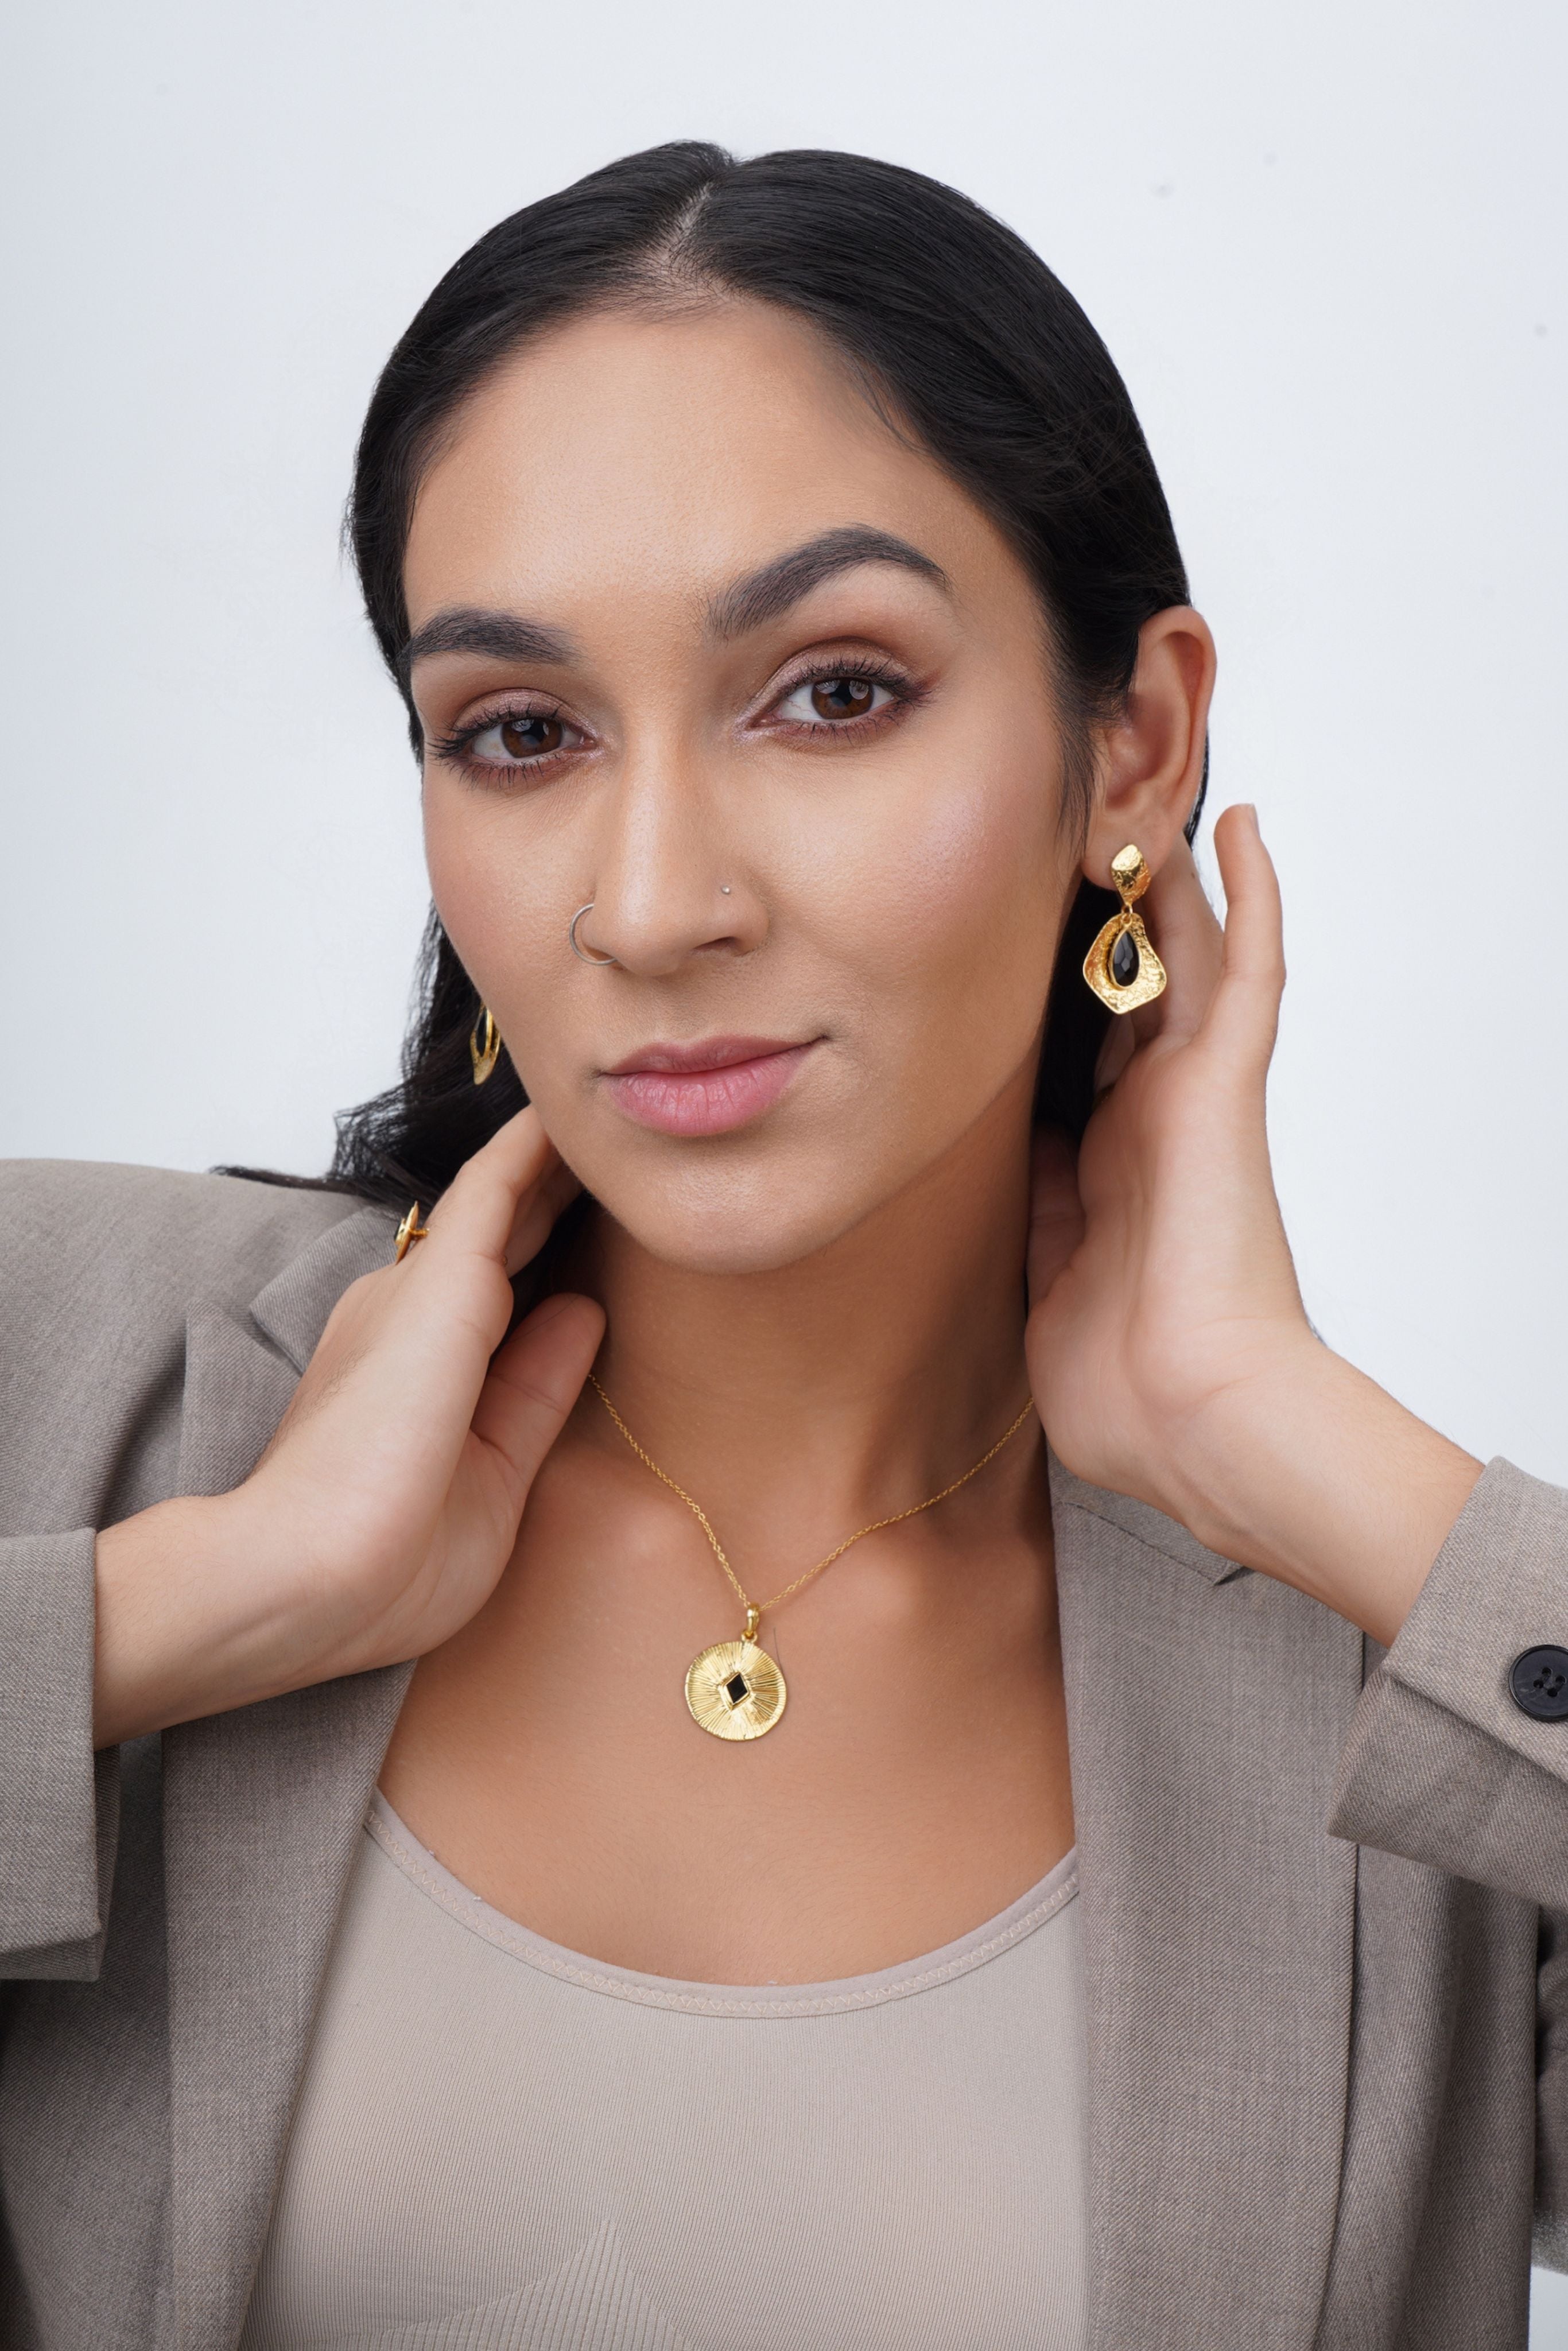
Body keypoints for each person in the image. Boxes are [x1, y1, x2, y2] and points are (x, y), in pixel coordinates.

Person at [2, 140, 1564, 2351]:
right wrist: (182, 1610)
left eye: (833, 691)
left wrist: (1305, 1453)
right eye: (520, 733)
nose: (653, 905)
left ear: (1131, 745)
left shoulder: (1403, 1723)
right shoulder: (72, 1376)